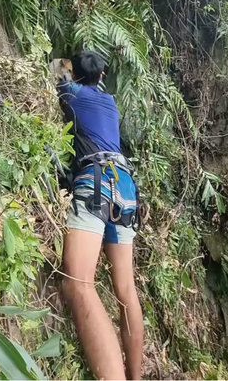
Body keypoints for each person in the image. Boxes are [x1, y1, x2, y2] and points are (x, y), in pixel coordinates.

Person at [56, 50, 144, 380]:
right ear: (103, 76)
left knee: (79, 284)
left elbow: (54, 76)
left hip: (95, 182)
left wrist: (65, 73)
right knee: (126, 291)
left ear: (75, 74)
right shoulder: (110, 101)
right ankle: (135, 377)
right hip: (125, 185)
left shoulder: (71, 92)